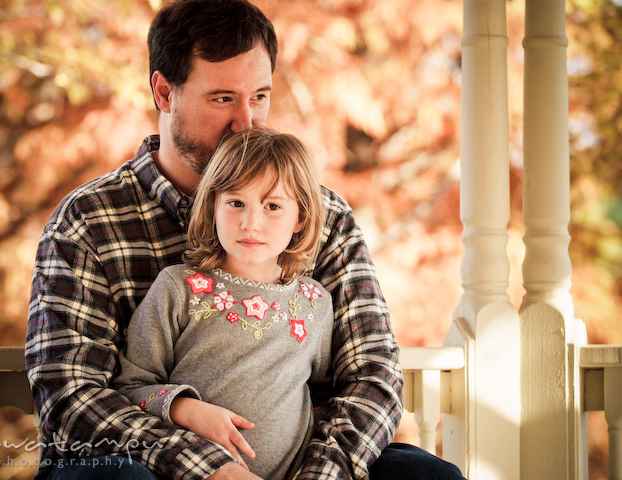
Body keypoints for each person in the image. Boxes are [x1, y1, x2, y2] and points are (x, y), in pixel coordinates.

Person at [25, 0, 465, 479]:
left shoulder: (322, 215)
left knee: (426, 476)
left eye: (259, 96)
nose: (247, 122)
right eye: (223, 99)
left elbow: (371, 375)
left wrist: (320, 475)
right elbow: (70, 397)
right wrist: (209, 468)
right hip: (143, 464)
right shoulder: (89, 221)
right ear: (164, 92)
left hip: (299, 462)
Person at [114, 126, 332, 480]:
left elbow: (323, 394)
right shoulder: (178, 288)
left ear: (301, 218)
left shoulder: (315, 303)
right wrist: (187, 410)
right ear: (213, 205)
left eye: (273, 206)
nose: (251, 223)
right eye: (235, 203)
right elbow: (130, 389)